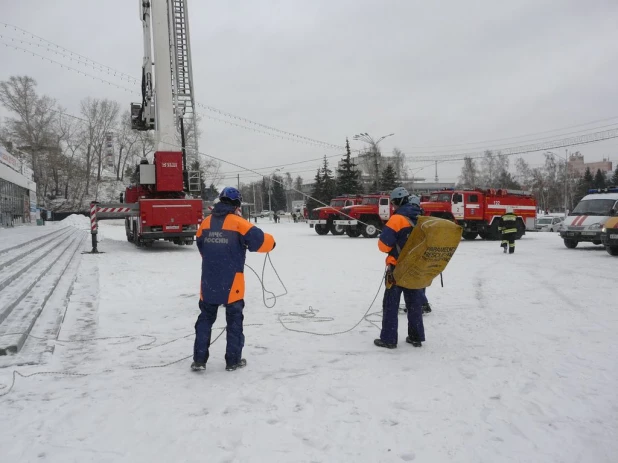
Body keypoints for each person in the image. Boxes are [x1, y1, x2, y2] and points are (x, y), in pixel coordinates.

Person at [192, 187, 276, 372]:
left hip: (208, 280)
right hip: (233, 282)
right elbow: (261, 241)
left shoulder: (206, 222)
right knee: (234, 320)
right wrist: (273, 242)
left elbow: (200, 245)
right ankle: (233, 360)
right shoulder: (239, 223)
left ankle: (199, 360)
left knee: (205, 318)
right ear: (237, 204)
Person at [375, 187, 426, 349]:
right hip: (416, 269)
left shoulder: (397, 219)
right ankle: (416, 337)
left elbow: (383, 246)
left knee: (391, 304)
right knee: (414, 305)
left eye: (394, 203)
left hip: (397, 269)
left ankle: (389, 339)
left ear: (398, 201)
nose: (393, 206)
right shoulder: (421, 219)